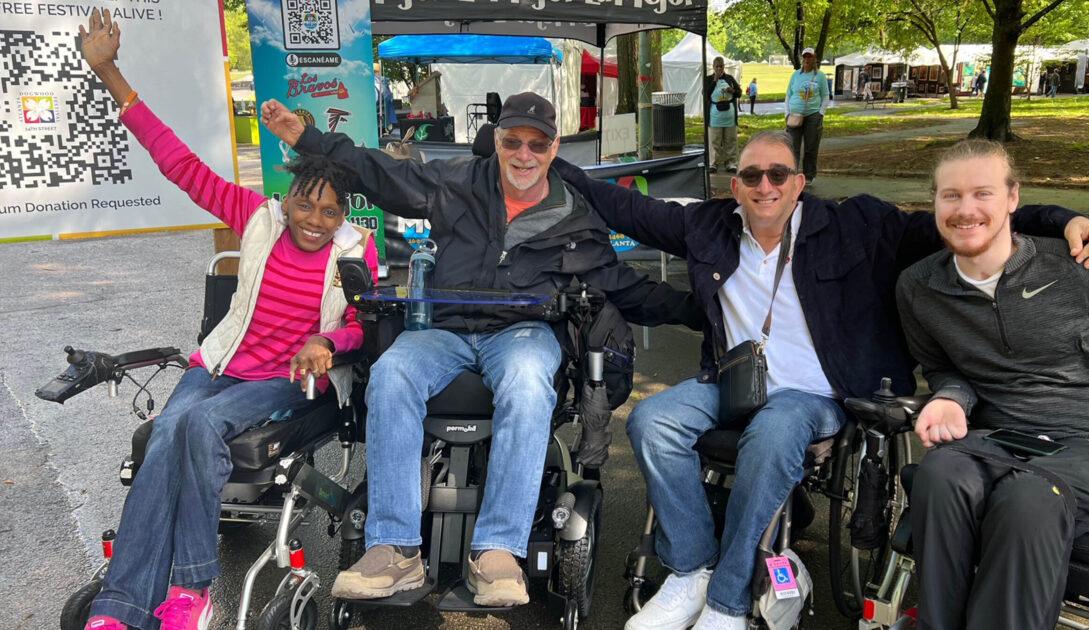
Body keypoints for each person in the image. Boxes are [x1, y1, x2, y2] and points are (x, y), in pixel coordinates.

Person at [553, 130, 1089, 630]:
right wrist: (544, 157)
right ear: (736, 186)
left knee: (776, 431)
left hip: (821, 391)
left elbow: (967, 217)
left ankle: (727, 599)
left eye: (778, 173)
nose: (765, 186)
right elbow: (618, 206)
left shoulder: (859, 225)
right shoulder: (708, 228)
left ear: (799, 182)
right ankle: (690, 569)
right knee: (653, 420)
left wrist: (1064, 220)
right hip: (734, 381)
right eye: (751, 175)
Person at [261, 92, 701, 607]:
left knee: (528, 375)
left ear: (554, 147)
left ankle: (497, 551)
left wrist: (704, 311)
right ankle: (394, 548)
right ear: (497, 141)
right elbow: (378, 172)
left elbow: (624, 287)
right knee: (393, 371)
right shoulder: (457, 183)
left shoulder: (576, 217)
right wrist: (307, 137)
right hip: (446, 329)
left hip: (522, 333)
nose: (524, 154)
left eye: (537, 144)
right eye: (512, 141)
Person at [76, 10, 379, 630]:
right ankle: (124, 606)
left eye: (328, 210)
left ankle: (189, 593)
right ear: (287, 195)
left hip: (287, 381)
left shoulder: (356, 249)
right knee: (169, 431)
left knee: (198, 423)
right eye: (304, 203)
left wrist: (326, 338)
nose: (313, 220)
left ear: (343, 210)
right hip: (219, 366)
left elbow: (363, 327)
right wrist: (110, 72)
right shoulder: (258, 217)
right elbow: (178, 164)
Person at [895, 139, 1089, 630]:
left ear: (1013, 199)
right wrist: (949, 397)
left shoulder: (1077, 267)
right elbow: (943, 367)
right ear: (934, 202)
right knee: (941, 473)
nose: (965, 209)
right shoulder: (920, 287)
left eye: (982, 194)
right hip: (1000, 437)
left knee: (1030, 499)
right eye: (950, 196)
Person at [784, 47, 830, 182]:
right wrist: (787, 113)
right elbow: (788, 95)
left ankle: (809, 176)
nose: (807, 60)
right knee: (793, 147)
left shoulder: (820, 76)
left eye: (809, 57)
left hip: (812, 116)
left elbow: (826, 96)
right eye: (805, 57)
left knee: (811, 147)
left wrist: (820, 113)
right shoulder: (796, 75)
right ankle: (791, 175)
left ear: (814, 58)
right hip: (794, 115)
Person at [704, 56, 742, 174]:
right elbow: (705, 94)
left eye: (721, 66)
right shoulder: (709, 79)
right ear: (713, 67)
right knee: (714, 140)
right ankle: (713, 163)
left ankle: (731, 163)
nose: (719, 68)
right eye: (717, 66)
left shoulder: (729, 78)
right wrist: (714, 80)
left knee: (730, 140)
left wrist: (733, 91)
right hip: (715, 116)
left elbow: (739, 93)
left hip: (729, 116)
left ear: (724, 67)